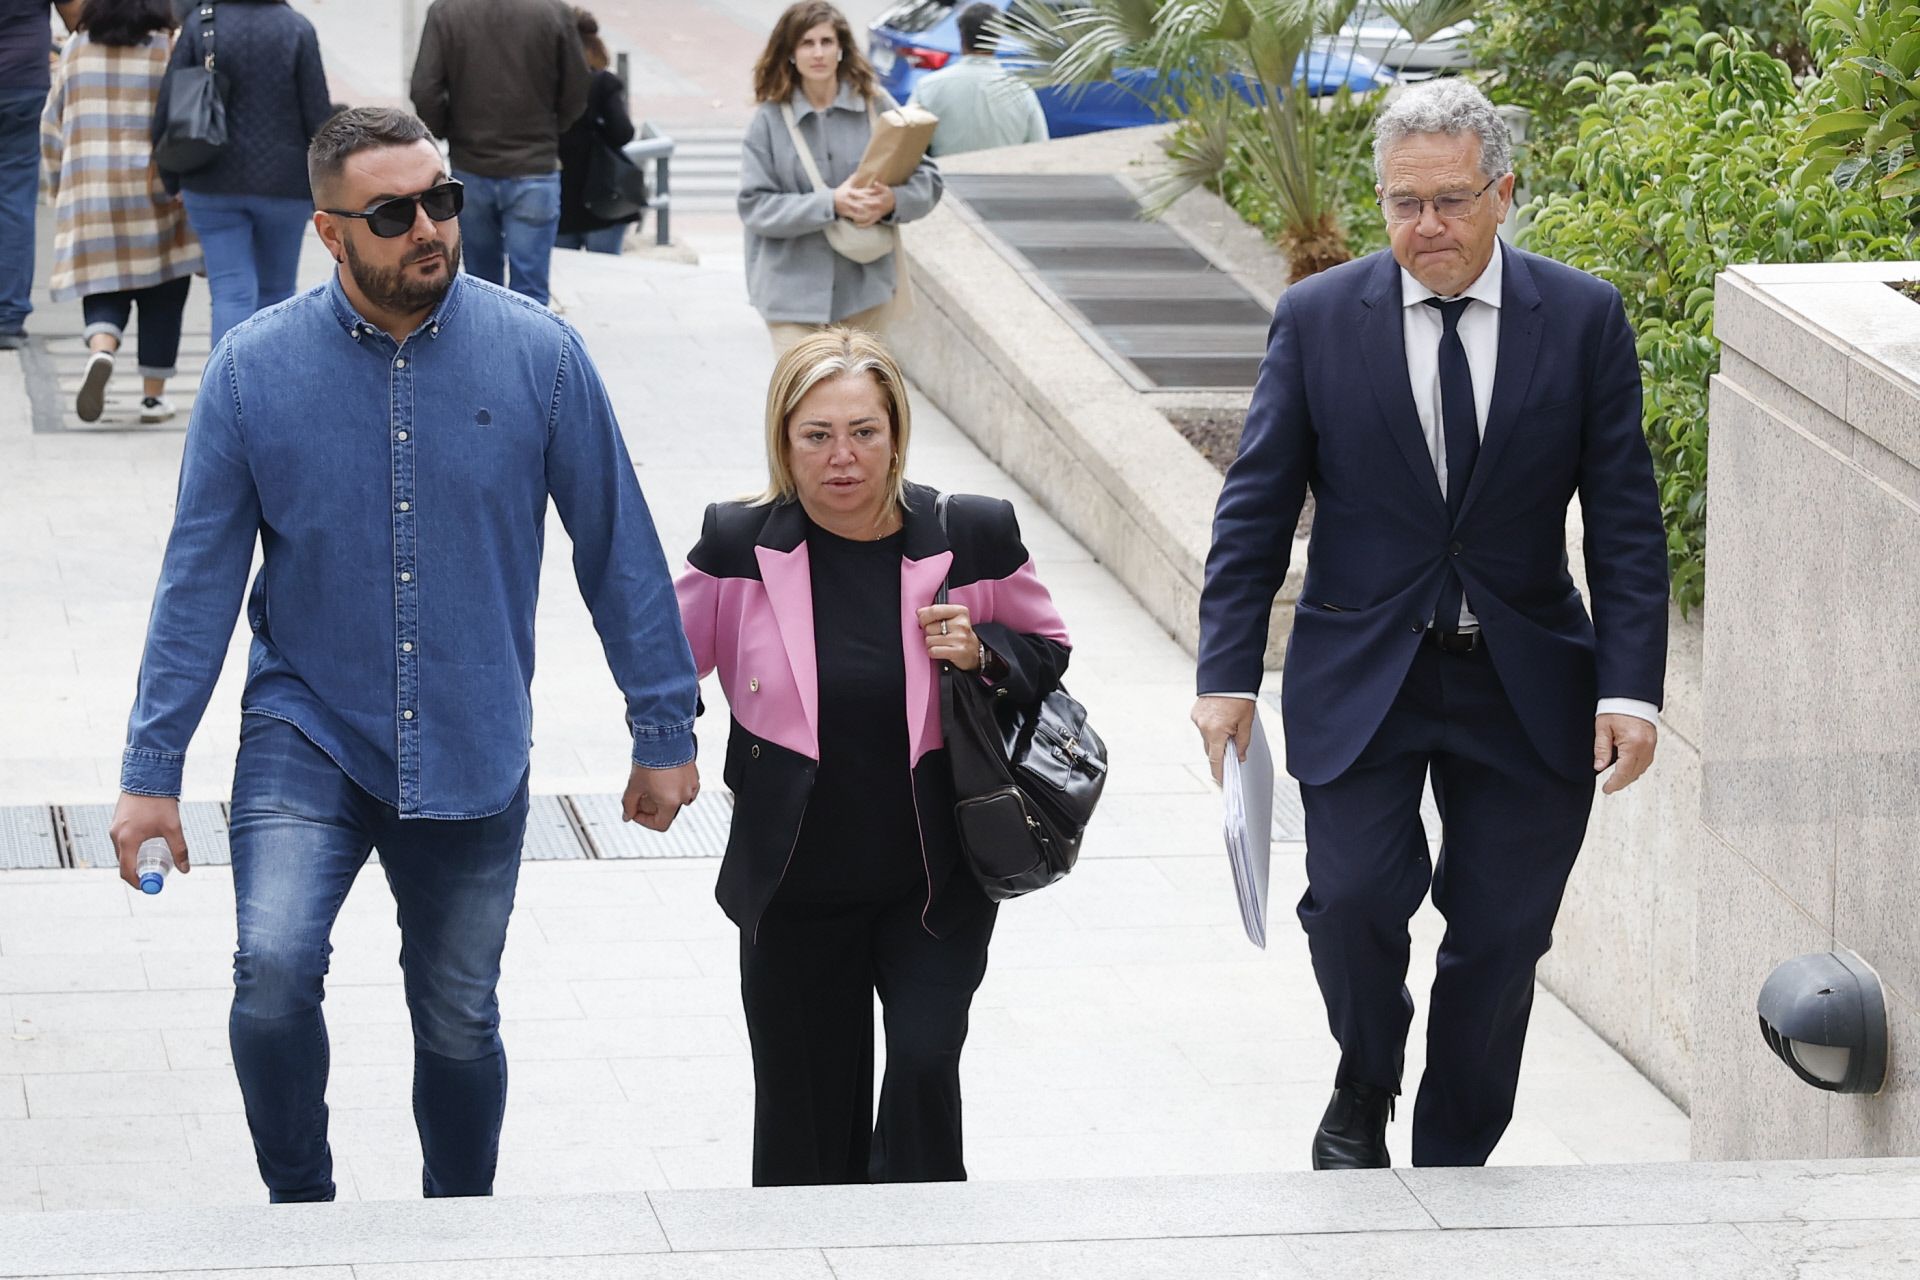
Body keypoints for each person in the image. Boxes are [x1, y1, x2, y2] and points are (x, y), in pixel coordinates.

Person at [107, 106, 701, 1203]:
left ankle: (456, 1227)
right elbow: (196, 582)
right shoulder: (252, 372)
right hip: (308, 726)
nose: (428, 226)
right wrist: (153, 773)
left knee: (460, 1014)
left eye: (441, 199)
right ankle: (302, 1209)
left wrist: (661, 728)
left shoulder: (542, 356)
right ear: (332, 233)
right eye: (393, 213)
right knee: (273, 974)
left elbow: (620, 544)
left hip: (474, 735)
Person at [1190, 78, 1669, 1170]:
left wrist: (1631, 688)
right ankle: (1366, 1074)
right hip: (1365, 668)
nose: (1428, 227)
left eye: (1451, 200)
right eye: (1405, 204)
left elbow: (1629, 520)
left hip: (1527, 676)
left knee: (1501, 935)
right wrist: (1225, 672)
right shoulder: (1318, 321)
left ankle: (1457, 1148)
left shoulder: (1583, 316)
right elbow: (1256, 506)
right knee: (1351, 901)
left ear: (1504, 191)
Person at [674, 327, 1069, 1186]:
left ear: (897, 435)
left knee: (925, 1071)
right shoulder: (739, 542)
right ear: (784, 440)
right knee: (804, 1112)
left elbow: (1048, 648)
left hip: (936, 878)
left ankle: (918, 1249)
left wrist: (985, 650)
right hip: (796, 882)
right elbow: (665, 660)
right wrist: (663, 748)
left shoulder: (971, 532)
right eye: (816, 434)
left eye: (864, 431)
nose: (842, 456)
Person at [739, 1, 940, 355]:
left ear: (841, 47)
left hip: (864, 292)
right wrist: (831, 203)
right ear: (790, 52)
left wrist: (891, 202)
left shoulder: (875, 105)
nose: (818, 53)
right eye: (806, 43)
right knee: (801, 403)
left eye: (826, 41)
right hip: (790, 298)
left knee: (861, 401)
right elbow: (754, 207)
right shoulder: (768, 122)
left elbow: (929, 179)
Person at [42, 0, 201, 424]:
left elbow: (51, 124)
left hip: (92, 190)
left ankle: (102, 349)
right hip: (156, 189)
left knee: (102, 284)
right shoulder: (165, 48)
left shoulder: (77, 49)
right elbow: (186, 118)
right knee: (164, 291)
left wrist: (59, 187)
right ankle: (153, 396)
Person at [152, 0, 331, 346]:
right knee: (277, 292)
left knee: (230, 292)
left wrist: (172, 177)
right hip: (285, 186)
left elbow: (167, 107)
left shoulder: (201, 24)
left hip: (209, 181)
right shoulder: (298, 29)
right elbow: (318, 118)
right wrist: (325, 191)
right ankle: (272, 387)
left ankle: (227, 389)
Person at [410, 0, 588, 304]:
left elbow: (425, 88)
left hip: (471, 161)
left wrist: (447, 129)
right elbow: (577, 87)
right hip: (534, 161)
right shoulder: (551, 10)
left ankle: (486, 349)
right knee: (531, 290)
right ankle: (528, 351)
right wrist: (553, 126)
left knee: (480, 288)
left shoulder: (447, 10)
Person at [0, 0, 82, 347]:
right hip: (21, 78)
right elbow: (76, 15)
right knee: (15, 199)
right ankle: (6, 316)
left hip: (22, 80)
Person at [908, 3, 1046, 158]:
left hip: (946, 179)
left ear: (961, 35)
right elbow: (1039, 150)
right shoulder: (1022, 91)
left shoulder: (928, 88)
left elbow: (905, 149)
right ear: (998, 37)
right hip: (1004, 180)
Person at [554, 6, 636, 256]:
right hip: (602, 193)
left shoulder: (547, 83)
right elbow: (623, 132)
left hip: (560, 196)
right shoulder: (602, 82)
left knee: (563, 275)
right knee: (606, 277)